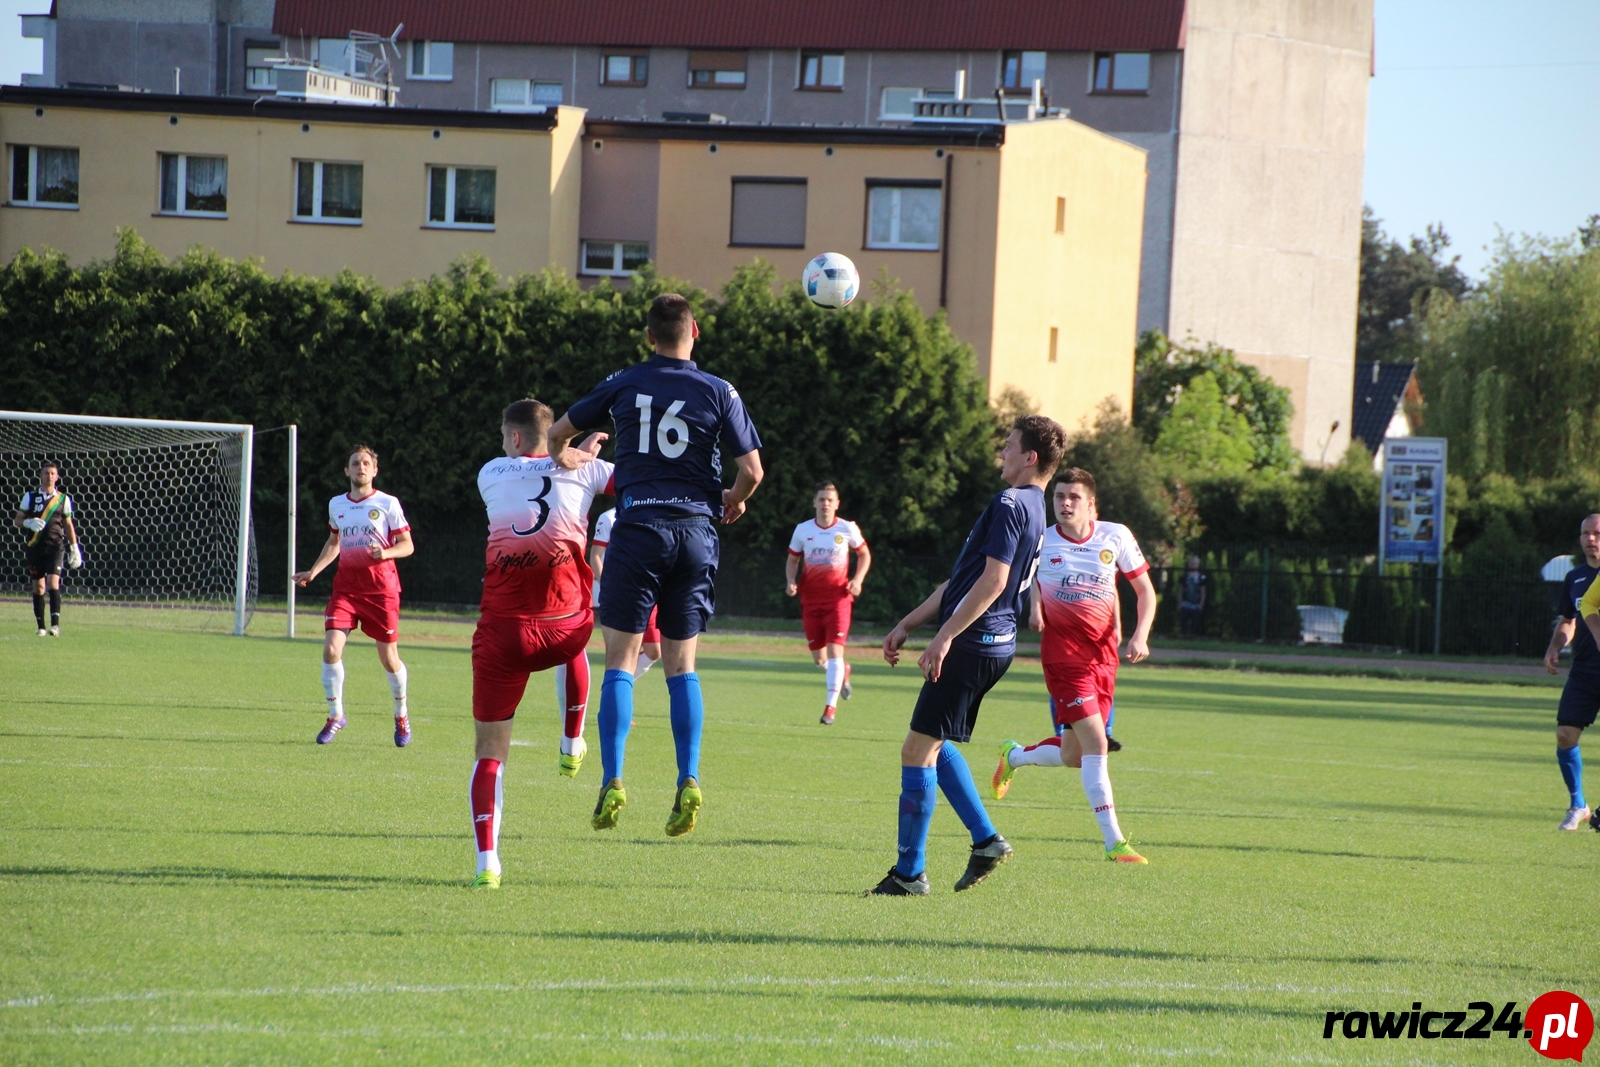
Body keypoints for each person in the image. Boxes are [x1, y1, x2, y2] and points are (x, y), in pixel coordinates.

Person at [547, 293, 764, 838]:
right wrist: (733, 500)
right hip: (694, 532)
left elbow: (556, 434)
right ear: (695, 331)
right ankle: (688, 778)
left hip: (638, 528)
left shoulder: (624, 382)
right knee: (682, 666)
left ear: (649, 337)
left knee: (620, 662)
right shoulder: (720, 390)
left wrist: (567, 456)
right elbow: (753, 471)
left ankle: (613, 781)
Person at [867, 415, 1064, 896]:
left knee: (916, 751)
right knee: (934, 743)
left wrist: (945, 637)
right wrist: (909, 623)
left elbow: (994, 582)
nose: (1002, 452)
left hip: (973, 642)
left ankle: (909, 874)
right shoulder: (1036, 509)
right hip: (994, 644)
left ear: (1030, 457)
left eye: (1009, 445)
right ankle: (985, 840)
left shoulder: (1008, 503)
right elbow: (963, 582)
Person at [468, 399, 614, 888]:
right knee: (578, 642)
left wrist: (567, 455)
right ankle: (572, 741)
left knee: (490, 751)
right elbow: (640, 482)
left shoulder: (490, 473)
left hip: (504, 635)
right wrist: (582, 458)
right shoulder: (587, 471)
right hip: (565, 629)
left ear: (513, 438)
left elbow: (534, 471)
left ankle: (487, 864)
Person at [991, 467, 1158, 865]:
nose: (1065, 503)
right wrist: (1030, 611)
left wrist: (1140, 635)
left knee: (1074, 756)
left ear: (1091, 503)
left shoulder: (1115, 536)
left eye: (1073, 497)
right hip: (1063, 658)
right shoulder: (1041, 539)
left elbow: (1144, 591)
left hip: (1104, 658)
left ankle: (1014, 756)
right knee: (1098, 745)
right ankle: (1114, 842)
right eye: (1059, 496)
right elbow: (1011, 582)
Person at [293, 446, 415, 747]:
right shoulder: (337, 504)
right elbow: (334, 542)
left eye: (366, 463)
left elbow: (407, 545)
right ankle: (336, 715)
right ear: (347, 471)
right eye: (355, 463)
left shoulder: (387, 503)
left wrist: (385, 553)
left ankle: (401, 714)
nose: (361, 467)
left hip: (381, 591)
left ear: (374, 470)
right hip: (346, 590)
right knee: (331, 650)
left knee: (389, 660)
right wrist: (313, 571)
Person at [786, 481, 872, 724]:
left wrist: (857, 580)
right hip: (810, 601)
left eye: (830, 500)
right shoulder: (802, 530)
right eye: (821, 499)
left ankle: (829, 708)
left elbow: (864, 554)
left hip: (838, 600)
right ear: (814, 502)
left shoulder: (847, 528)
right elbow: (792, 560)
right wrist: (791, 581)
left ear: (837, 504)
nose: (825, 503)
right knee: (820, 659)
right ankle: (843, 671)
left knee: (835, 652)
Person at [1549, 514, 1600, 831]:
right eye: (1585, 533)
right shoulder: (1575, 578)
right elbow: (1569, 620)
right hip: (1585, 670)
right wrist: (1555, 646)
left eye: (1597, 533)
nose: (1590, 539)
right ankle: (1578, 804)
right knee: (1565, 735)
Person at [590, 507, 661, 680]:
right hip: (621, 593)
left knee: (653, 651)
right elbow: (595, 556)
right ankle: (615, 690)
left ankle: (616, 686)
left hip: (648, 591)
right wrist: (608, 586)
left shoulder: (652, 512)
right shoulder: (608, 517)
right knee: (622, 653)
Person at [13, 459, 81, 636]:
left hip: (55, 547)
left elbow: (68, 524)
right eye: (46, 473)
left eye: (52, 473)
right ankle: (41, 627)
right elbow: (17, 520)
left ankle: (55, 625)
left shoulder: (63, 499)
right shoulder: (30, 496)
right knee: (38, 588)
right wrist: (28, 522)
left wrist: (74, 547)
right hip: (35, 547)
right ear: (40, 475)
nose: (49, 476)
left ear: (57, 477)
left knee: (52, 582)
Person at [1178, 554, 1207, 637]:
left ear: (1198, 565)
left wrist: (1201, 604)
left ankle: (1193, 636)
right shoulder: (1184, 577)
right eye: (1191, 563)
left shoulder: (1201, 578)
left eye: (1195, 563)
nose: (1193, 565)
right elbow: (1181, 591)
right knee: (1184, 622)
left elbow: (1203, 592)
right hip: (1185, 603)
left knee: (1195, 623)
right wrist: (1179, 603)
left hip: (1196, 605)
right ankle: (1183, 636)